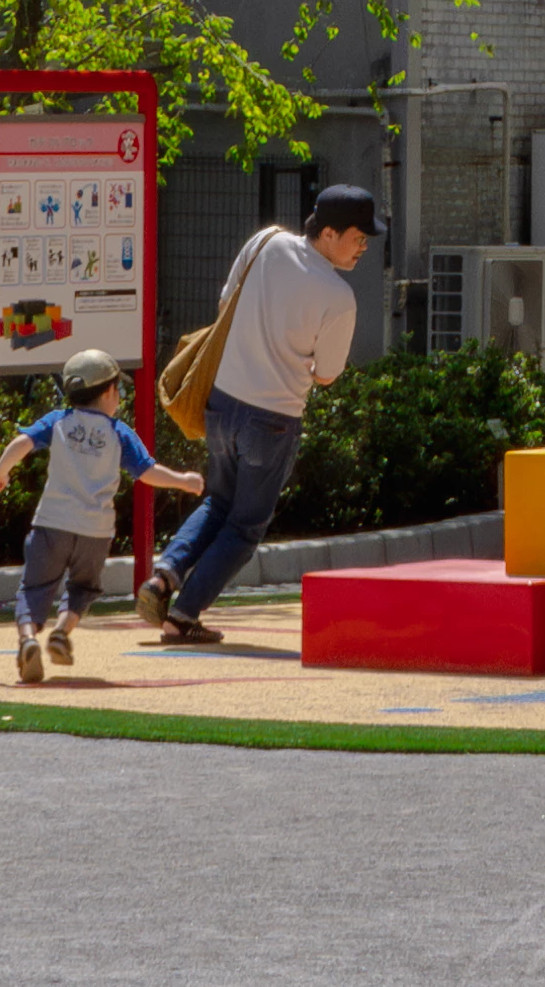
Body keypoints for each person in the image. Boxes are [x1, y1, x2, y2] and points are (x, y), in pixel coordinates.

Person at [141, 184, 372, 646]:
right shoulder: (338, 296)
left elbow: (227, 302)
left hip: (223, 401)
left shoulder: (265, 241)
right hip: (274, 416)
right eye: (357, 237)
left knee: (217, 502)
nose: (363, 247)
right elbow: (327, 375)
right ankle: (183, 614)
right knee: (245, 526)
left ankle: (163, 575)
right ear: (328, 233)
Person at [4, 349, 194, 685]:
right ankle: (62, 632)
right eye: (117, 390)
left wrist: (0, 471)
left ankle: (28, 639)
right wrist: (183, 481)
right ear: (107, 392)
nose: (118, 396)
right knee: (83, 587)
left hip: (51, 523)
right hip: (96, 530)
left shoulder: (57, 421)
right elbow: (148, 472)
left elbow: (22, 443)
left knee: (34, 587)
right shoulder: (119, 432)